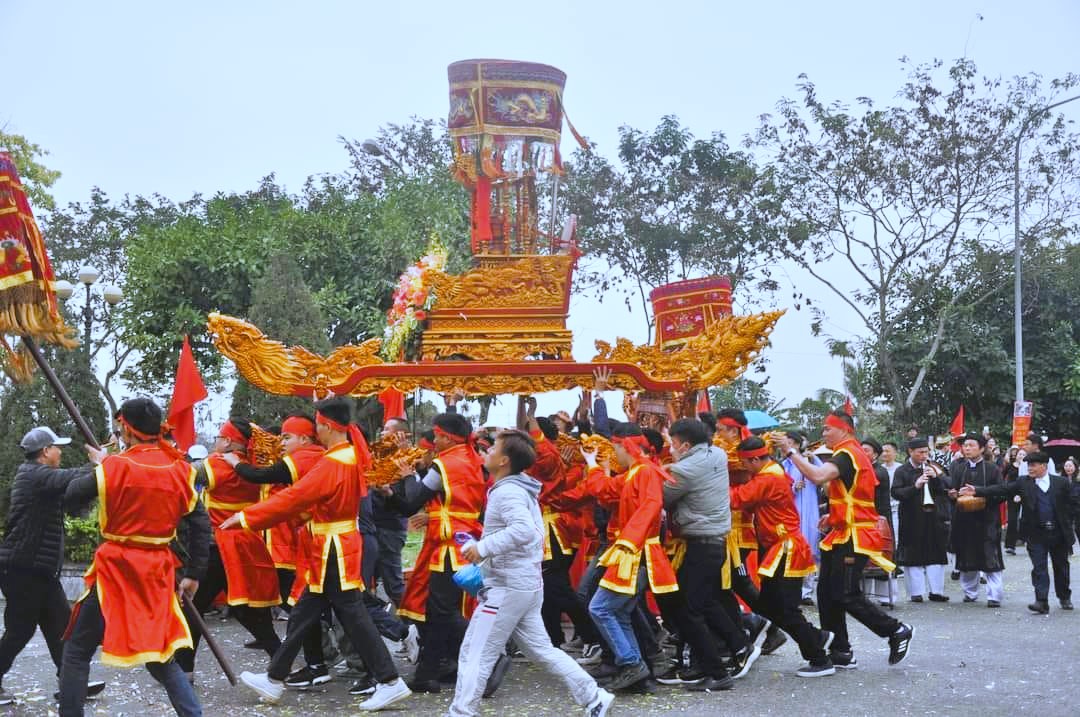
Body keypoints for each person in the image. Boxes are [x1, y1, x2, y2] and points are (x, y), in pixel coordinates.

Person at [222, 397, 411, 711]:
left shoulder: (336, 461)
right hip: (332, 549)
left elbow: (295, 497)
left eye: (319, 424)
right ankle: (274, 678)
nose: (317, 430)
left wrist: (246, 518)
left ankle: (390, 680)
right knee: (305, 613)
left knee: (352, 616)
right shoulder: (345, 456)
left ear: (326, 426)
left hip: (333, 550)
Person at [448, 429, 614, 717]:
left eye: (491, 449)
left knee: (475, 651)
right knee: (541, 650)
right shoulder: (518, 488)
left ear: (504, 461)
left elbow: (523, 530)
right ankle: (593, 696)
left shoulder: (508, 492)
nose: (485, 452)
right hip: (522, 584)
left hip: (507, 587)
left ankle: (462, 712)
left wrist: (483, 547)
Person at [59, 398, 209, 717]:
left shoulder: (116, 466)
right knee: (159, 656)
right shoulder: (180, 469)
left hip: (116, 570)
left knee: (76, 651)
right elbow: (199, 523)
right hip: (156, 571)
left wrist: (101, 465)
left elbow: (70, 496)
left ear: (126, 429)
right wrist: (194, 573)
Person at [784, 410, 912, 669]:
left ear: (843, 429)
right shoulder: (848, 453)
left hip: (856, 534)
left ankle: (896, 629)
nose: (823, 434)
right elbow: (853, 495)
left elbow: (818, 476)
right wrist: (833, 515)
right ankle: (840, 650)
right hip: (842, 531)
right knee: (827, 593)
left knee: (845, 593)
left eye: (827, 429)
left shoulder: (847, 453)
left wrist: (790, 453)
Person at [220, 414, 331, 688]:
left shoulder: (307, 458)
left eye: (286, 437)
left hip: (320, 546)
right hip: (310, 544)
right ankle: (310, 666)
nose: (282, 443)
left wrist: (235, 463)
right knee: (312, 606)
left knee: (345, 609)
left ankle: (393, 647)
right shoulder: (313, 457)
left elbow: (270, 486)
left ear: (305, 438)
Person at [0, 428, 107, 706]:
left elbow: (75, 492)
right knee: (19, 632)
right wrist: (99, 464)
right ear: (45, 451)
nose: (60, 451)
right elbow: (68, 478)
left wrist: (106, 465)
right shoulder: (33, 475)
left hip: (41, 572)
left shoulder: (42, 479)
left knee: (61, 628)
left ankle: (70, 684)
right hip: (23, 570)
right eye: (57, 447)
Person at [175, 418, 281, 677]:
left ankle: (184, 670)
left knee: (193, 605)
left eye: (220, 436)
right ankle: (281, 661)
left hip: (217, 545)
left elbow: (181, 474)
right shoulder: (254, 464)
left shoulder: (220, 463)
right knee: (249, 610)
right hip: (245, 542)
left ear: (231, 441)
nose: (216, 441)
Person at [392, 412, 487, 693]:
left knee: (441, 612)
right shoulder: (472, 459)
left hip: (447, 548)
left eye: (436, 435)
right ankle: (429, 673)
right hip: (463, 543)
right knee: (440, 611)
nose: (433, 441)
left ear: (447, 437)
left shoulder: (444, 464)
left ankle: (488, 663)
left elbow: (412, 503)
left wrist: (408, 476)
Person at [585, 423, 678, 693]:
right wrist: (592, 465)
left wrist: (629, 541)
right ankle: (636, 667)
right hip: (633, 549)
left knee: (600, 608)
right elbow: (605, 490)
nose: (614, 454)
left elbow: (651, 505)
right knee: (619, 611)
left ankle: (632, 664)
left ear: (626, 445)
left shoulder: (645, 471)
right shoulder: (635, 472)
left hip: (637, 551)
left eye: (615, 448)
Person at [731, 437, 835, 678]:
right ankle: (816, 636)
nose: (743, 468)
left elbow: (736, 499)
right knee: (770, 606)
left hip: (786, 549)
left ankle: (819, 657)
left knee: (786, 609)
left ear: (756, 459)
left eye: (745, 463)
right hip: (777, 547)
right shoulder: (770, 471)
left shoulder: (769, 477)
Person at [656, 418, 744, 692]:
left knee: (687, 609)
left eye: (673, 444)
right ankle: (738, 645)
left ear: (685, 444)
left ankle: (716, 672)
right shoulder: (716, 453)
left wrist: (655, 469)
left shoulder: (686, 471)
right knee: (703, 603)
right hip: (713, 544)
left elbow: (659, 495)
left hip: (701, 545)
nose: (671, 449)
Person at [963, 452, 1076, 614]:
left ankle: (1064, 597)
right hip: (1036, 533)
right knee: (1039, 568)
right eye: (1028, 465)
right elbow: (1002, 488)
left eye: (1033, 465)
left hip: (1058, 534)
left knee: (1061, 567)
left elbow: (1073, 503)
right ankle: (1041, 601)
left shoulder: (1061, 483)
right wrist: (977, 490)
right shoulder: (1024, 482)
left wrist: (1068, 520)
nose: (1030, 468)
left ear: (1043, 466)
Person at [947, 433, 1006, 607]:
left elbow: (1002, 491)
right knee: (966, 556)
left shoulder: (992, 468)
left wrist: (979, 492)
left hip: (987, 519)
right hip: (964, 519)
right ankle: (970, 593)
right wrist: (952, 495)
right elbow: (953, 490)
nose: (967, 449)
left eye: (972, 445)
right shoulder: (957, 468)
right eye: (965, 446)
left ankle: (994, 595)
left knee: (990, 557)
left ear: (982, 448)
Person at [890, 439, 950, 602]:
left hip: (933, 517)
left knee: (935, 551)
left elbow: (946, 488)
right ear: (910, 451)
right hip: (911, 517)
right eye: (920, 452)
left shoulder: (934, 467)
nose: (924, 455)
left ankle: (936, 591)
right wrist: (915, 486)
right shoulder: (902, 471)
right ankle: (916, 592)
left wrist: (936, 477)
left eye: (926, 452)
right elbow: (896, 493)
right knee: (912, 553)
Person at [782, 431, 821, 605]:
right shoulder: (783, 466)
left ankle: (806, 591)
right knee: (793, 550)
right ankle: (792, 589)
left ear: (797, 445)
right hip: (792, 512)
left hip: (810, 510)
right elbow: (778, 490)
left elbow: (822, 476)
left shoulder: (807, 463)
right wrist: (792, 488)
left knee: (810, 549)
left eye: (790, 442)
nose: (786, 446)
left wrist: (813, 459)